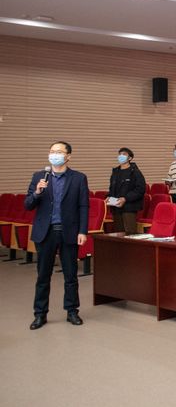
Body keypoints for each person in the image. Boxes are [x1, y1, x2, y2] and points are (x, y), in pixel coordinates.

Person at [25, 141, 89, 329]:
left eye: (59, 152)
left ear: (68, 156)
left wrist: (82, 231)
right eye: (52, 151)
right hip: (46, 232)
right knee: (43, 276)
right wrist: (37, 192)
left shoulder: (78, 178)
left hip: (69, 231)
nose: (54, 155)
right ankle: (40, 314)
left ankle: (72, 311)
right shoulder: (39, 176)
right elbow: (28, 205)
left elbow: (83, 206)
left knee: (71, 276)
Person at [107, 147, 146, 234]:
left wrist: (125, 198)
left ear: (130, 158)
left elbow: (140, 189)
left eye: (124, 154)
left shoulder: (135, 172)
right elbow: (111, 188)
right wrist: (109, 197)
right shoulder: (115, 172)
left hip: (129, 207)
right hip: (116, 207)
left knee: (130, 233)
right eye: (120, 154)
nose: (121, 156)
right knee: (118, 233)